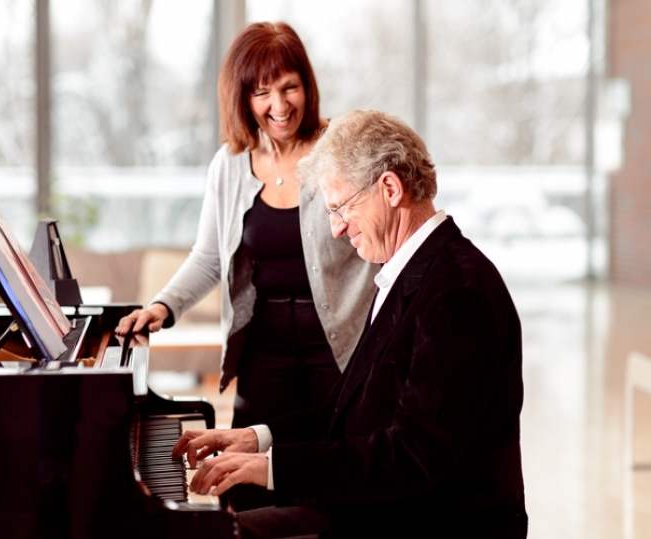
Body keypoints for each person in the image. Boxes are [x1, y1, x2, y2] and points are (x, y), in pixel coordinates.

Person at [171, 109, 528, 539]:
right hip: (377, 511)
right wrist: (256, 438)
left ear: (390, 188)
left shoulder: (457, 291)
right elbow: (347, 415)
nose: (336, 229)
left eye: (341, 207)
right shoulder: (405, 272)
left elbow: (412, 456)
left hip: (426, 524)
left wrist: (269, 469)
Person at [115, 22, 378, 430]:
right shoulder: (230, 165)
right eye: (262, 92)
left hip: (343, 344)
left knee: (338, 476)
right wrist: (162, 307)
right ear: (243, 98)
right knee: (252, 474)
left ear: (307, 85)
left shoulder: (343, 149)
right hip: (264, 348)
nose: (280, 105)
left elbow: (384, 240)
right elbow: (208, 258)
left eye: (290, 87)